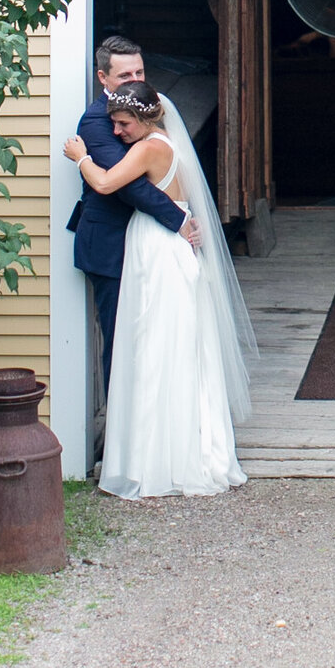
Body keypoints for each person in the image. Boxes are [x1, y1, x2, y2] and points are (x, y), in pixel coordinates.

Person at [64, 80, 257, 499]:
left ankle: (156, 463)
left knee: (156, 350)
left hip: (160, 252)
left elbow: (105, 182)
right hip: (166, 247)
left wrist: (81, 158)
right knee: (171, 350)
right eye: (113, 124)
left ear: (144, 117)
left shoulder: (151, 147)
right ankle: (175, 455)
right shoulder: (168, 143)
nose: (117, 132)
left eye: (122, 123)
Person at [68, 35, 197, 391]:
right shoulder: (98, 122)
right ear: (103, 78)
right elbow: (128, 186)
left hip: (151, 246)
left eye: (140, 71)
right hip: (111, 245)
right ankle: (120, 439)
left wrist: (184, 212)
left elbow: (165, 172)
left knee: (154, 344)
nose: (136, 79)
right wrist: (180, 219)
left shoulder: (151, 111)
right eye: (125, 75)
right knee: (121, 345)